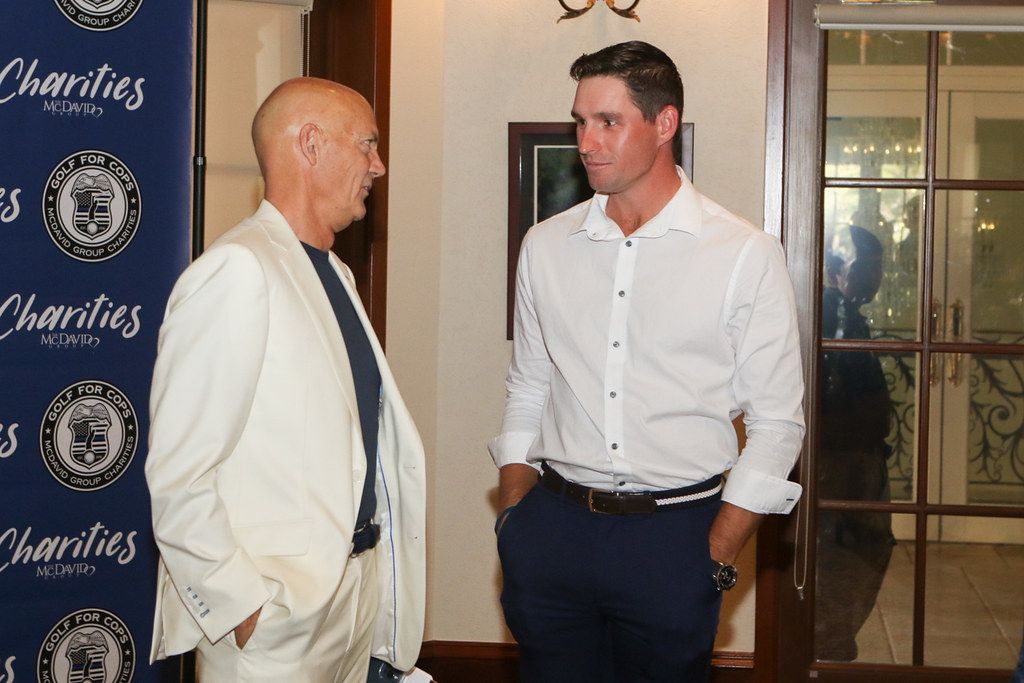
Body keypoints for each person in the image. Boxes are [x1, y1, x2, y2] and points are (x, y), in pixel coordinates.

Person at [490, 41, 805, 682]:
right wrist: (516, 517)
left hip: (675, 536)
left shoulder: (744, 253)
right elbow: (529, 384)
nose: (587, 141)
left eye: (609, 122)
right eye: (581, 121)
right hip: (552, 530)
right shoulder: (547, 245)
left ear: (664, 125)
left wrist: (715, 550)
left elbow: (777, 426)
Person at [145, 77, 426, 682]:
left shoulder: (337, 276)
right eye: (368, 145)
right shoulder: (237, 270)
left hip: (352, 605)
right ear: (311, 144)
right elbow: (179, 473)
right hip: (275, 627)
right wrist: (244, 607)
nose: (378, 165)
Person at [816, 225, 895, 661]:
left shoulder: (849, 311)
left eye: (878, 269)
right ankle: (830, 644)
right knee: (846, 555)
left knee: (866, 548)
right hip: (842, 461)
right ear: (835, 271)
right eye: (865, 268)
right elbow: (833, 397)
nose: (874, 279)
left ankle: (835, 640)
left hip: (858, 457)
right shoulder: (835, 314)